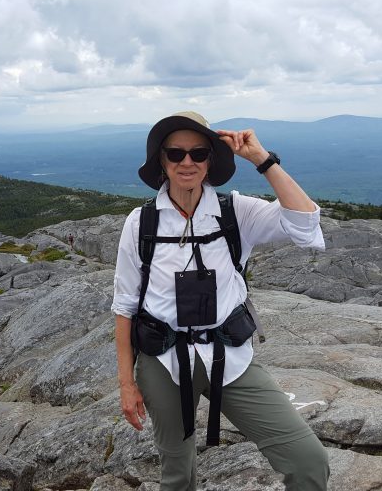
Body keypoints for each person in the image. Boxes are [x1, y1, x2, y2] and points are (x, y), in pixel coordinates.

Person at [111, 111, 330, 491]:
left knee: (308, 459)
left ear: (211, 159)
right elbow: (125, 305)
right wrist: (126, 383)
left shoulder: (235, 212)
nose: (187, 162)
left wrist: (262, 159)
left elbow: (305, 224)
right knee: (178, 473)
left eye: (198, 152)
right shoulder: (140, 223)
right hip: (164, 360)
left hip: (229, 355)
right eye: (175, 153)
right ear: (161, 161)